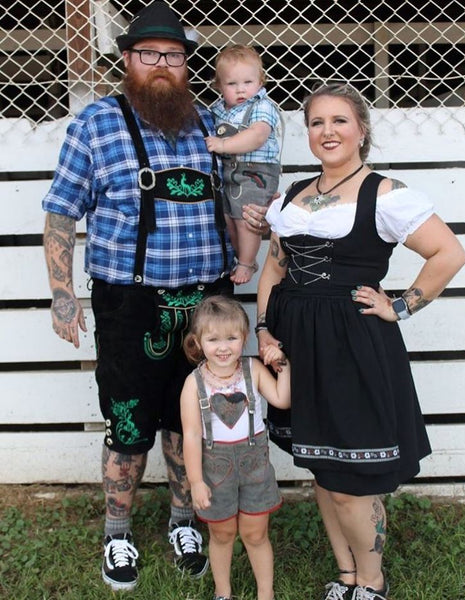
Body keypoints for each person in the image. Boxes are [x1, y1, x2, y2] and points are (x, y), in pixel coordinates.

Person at [42, 1, 239, 592]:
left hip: (208, 305)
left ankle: (184, 520)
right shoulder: (96, 123)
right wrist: (60, 294)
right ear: (127, 59)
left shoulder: (213, 126)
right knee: (128, 424)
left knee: (190, 423)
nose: (161, 65)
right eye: (148, 54)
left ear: (186, 65)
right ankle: (117, 530)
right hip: (130, 303)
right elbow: (60, 212)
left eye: (173, 56)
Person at [255, 82, 465, 600]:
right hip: (298, 343)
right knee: (324, 470)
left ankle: (372, 584)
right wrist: (264, 329)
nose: (327, 132)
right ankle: (345, 576)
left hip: (351, 346)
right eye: (316, 122)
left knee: (352, 477)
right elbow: (273, 270)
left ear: (361, 130)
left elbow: (449, 254)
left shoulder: (385, 194)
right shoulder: (294, 195)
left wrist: (399, 306)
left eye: (339, 121)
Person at [180, 295, 290, 600]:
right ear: (198, 343)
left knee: (255, 534)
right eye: (214, 339)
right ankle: (223, 591)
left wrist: (283, 365)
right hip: (215, 469)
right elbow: (190, 435)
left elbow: (282, 399)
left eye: (232, 337)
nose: (224, 347)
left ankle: (264, 593)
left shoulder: (252, 370)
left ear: (244, 338)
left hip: (254, 464)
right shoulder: (194, 383)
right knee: (222, 533)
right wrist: (196, 481)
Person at [205, 45, 282, 285]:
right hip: (229, 172)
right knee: (227, 216)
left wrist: (223, 145)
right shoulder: (218, 110)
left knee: (245, 217)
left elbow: (256, 136)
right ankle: (243, 257)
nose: (241, 90)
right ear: (219, 85)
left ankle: (246, 263)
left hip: (255, 171)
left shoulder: (262, 106)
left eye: (248, 82)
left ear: (261, 81)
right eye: (231, 84)